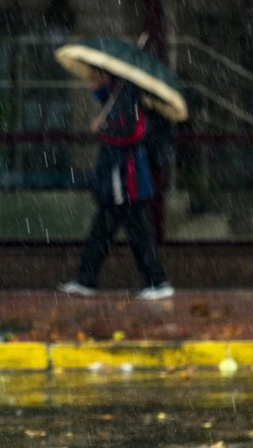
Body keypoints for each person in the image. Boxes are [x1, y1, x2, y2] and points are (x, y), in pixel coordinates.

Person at [57, 67, 174, 301]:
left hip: (125, 179)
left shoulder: (125, 97)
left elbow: (133, 132)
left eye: (92, 79)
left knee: (133, 231)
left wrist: (103, 129)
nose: (89, 84)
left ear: (103, 77)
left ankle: (156, 281)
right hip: (119, 178)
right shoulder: (114, 98)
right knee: (107, 229)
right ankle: (87, 279)